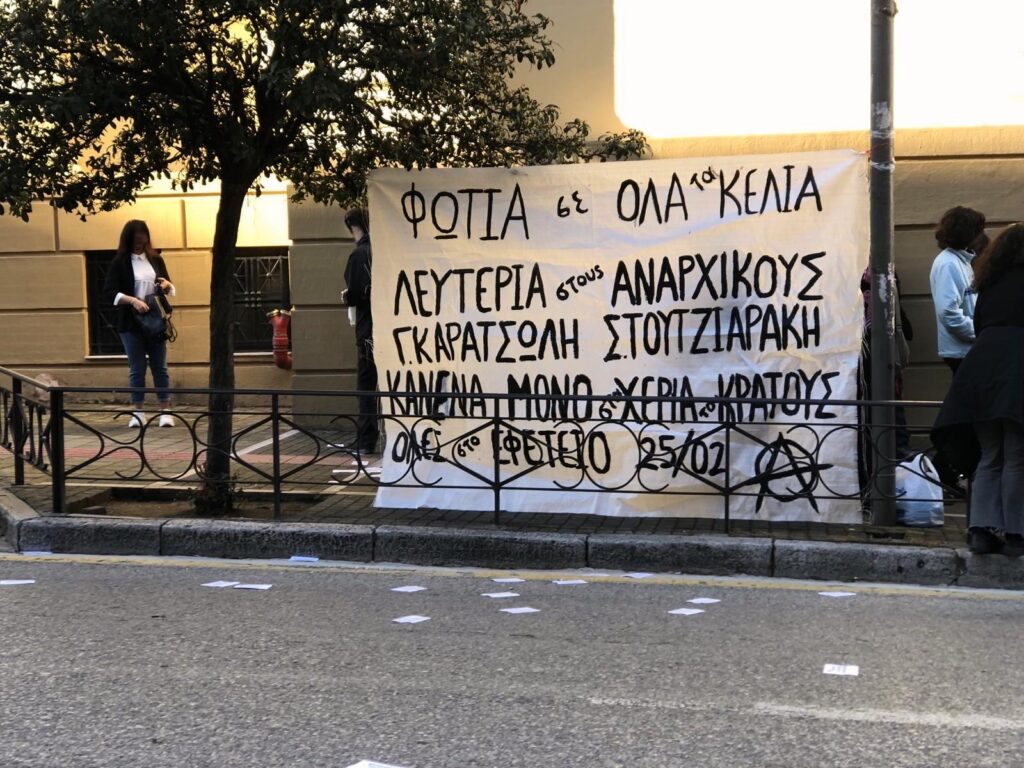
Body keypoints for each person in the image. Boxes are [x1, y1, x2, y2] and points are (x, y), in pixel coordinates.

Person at [931, 224, 1024, 555]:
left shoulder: (988, 282)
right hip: (1016, 372)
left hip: (979, 372)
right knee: (1016, 456)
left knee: (989, 455)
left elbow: (979, 324)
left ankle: (980, 532)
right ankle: (1016, 533)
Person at [103, 220, 176, 428]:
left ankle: (165, 412)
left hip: (155, 321)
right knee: (137, 368)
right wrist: (133, 301)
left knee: (160, 367)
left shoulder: (156, 259)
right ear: (128, 239)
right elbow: (109, 292)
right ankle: (138, 412)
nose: (140, 242)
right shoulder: (120, 263)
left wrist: (166, 285)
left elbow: (169, 287)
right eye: (136, 238)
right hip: (130, 323)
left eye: (143, 238)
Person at [929, 206, 986, 374]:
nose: (982, 235)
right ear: (968, 233)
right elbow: (948, 312)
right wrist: (978, 332)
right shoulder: (949, 264)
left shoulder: (961, 260)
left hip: (967, 348)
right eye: (978, 230)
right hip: (961, 351)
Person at [341, 208, 379, 454]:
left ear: (352, 227)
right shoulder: (382, 251)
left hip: (368, 331)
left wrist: (347, 297)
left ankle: (366, 441)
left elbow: (356, 293)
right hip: (389, 329)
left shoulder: (360, 254)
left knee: (366, 387)